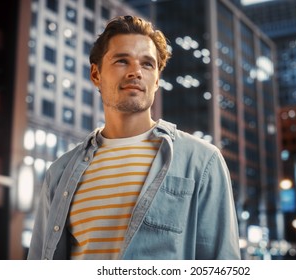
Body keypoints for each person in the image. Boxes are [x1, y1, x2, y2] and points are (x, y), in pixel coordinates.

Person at [27, 15, 240, 260]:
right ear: (96, 75)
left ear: (157, 79)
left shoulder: (202, 161)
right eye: (121, 61)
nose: (135, 72)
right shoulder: (60, 172)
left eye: (147, 64)